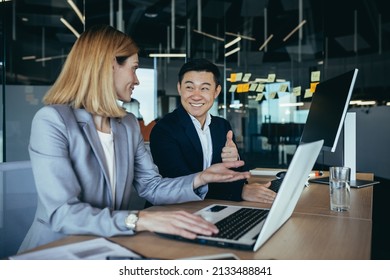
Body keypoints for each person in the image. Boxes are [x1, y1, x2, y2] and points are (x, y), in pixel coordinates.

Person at [18, 25, 250, 253]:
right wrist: (138, 220)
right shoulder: (52, 121)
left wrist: (201, 178)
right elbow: (62, 213)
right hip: (57, 249)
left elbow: (151, 186)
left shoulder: (127, 124)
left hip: (110, 243)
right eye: (134, 68)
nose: (137, 80)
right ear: (109, 65)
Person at [149, 58, 276, 203]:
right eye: (189, 87)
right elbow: (180, 182)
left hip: (213, 206)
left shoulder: (222, 126)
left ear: (216, 91)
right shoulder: (164, 129)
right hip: (173, 212)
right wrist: (239, 192)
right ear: (179, 88)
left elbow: (232, 175)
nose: (196, 96)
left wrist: (235, 160)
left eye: (204, 88)